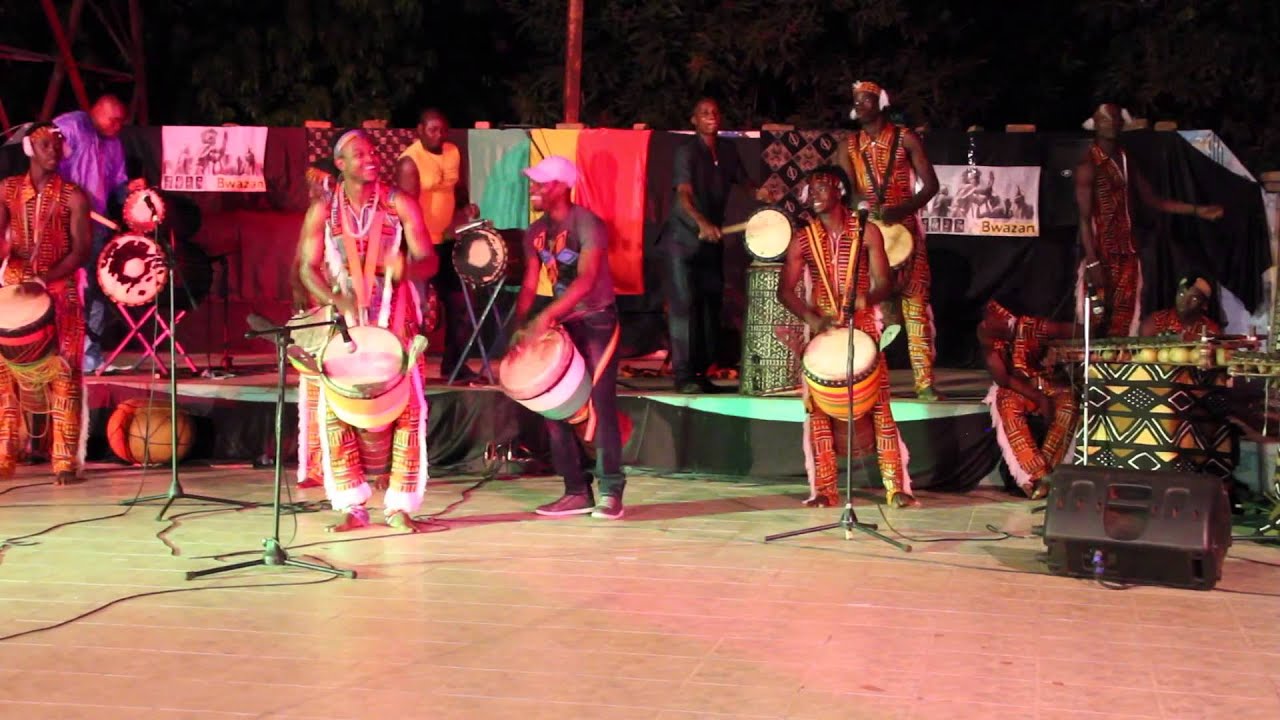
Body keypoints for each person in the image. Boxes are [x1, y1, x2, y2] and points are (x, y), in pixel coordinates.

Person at [297, 130, 438, 532]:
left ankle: (400, 505)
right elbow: (307, 267)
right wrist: (333, 299)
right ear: (340, 164)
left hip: (395, 318)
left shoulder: (399, 203)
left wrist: (406, 269)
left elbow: (429, 260)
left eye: (373, 152)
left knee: (408, 410)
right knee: (338, 410)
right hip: (345, 324)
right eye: (359, 154)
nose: (370, 158)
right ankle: (352, 505)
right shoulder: (323, 210)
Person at [777, 166, 919, 509]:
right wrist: (813, 318)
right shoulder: (803, 238)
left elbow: (886, 282)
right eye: (809, 191)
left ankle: (896, 487)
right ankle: (825, 490)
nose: (813, 197)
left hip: (864, 328)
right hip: (822, 333)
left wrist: (865, 299)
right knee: (819, 413)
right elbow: (785, 291)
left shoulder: (866, 231)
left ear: (839, 189)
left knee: (880, 407)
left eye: (820, 188)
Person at [513, 156, 627, 519]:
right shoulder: (535, 232)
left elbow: (586, 279)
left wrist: (545, 316)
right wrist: (521, 323)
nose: (533, 188)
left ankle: (611, 491)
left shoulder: (588, 224)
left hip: (596, 321)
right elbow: (532, 282)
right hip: (564, 324)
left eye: (540, 183)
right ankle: (576, 490)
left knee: (600, 404)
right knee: (554, 403)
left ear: (562, 186)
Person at [1075, 102, 1224, 338]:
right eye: (1106, 120)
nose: (1112, 124)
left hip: (1128, 251)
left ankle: (1117, 369)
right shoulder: (1088, 166)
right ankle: (1089, 368)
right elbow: (1084, 219)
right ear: (1095, 125)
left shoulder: (1125, 161)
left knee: (1124, 317)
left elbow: (1153, 200)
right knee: (1095, 315)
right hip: (1102, 252)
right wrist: (1092, 262)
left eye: (1116, 119)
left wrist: (1197, 210)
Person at [837, 80, 942, 400]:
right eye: (854, 100)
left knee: (915, 308)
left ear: (880, 102)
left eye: (864, 100)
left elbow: (931, 186)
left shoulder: (904, 138)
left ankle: (924, 383)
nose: (857, 105)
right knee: (870, 312)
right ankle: (869, 382)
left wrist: (901, 209)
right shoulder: (848, 145)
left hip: (905, 233)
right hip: (869, 236)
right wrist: (862, 211)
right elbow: (847, 193)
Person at [659, 98, 771, 394]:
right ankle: (683, 375)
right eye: (704, 113)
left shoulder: (727, 151)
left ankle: (699, 371)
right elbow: (683, 194)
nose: (711, 116)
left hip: (711, 240)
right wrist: (700, 222)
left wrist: (762, 193)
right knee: (684, 306)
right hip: (682, 241)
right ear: (694, 120)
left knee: (709, 307)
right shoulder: (687, 152)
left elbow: (745, 183)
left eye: (715, 112)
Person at [0, 122, 92, 485]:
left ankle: (64, 461)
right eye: (44, 144)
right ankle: (6, 452)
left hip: (63, 292)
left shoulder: (74, 196)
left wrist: (46, 277)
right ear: (28, 148)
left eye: (57, 144)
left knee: (66, 372)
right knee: (3, 376)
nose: (52, 150)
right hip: (17, 286)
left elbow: (81, 251)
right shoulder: (7, 191)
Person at [53, 95, 144, 373]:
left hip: (98, 227)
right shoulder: (72, 126)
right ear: (96, 112)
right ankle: (59, 356)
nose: (117, 126)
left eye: (121, 122)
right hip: (66, 223)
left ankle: (89, 358)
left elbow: (117, 186)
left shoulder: (114, 144)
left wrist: (130, 189)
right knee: (67, 291)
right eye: (113, 120)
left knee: (95, 292)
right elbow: (45, 156)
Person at [397, 109, 481, 382]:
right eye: (432, 129)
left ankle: (454, 366)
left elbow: (457, 188)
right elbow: (405, 209)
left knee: (459, 303)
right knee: (419, 310)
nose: (438, 135)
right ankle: (410, 369)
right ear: (419, 130)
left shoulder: (453, 152)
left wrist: (464, 209)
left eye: (442, 130)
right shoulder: (410, 162)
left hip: (446, 243)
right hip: (420, 248)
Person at [979, 297, 1081, 499]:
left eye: (991, 321)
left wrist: (1059, 349)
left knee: (1069, 405)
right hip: (1017, 387)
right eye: (985, 320)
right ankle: (1035, 477)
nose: (985, 324)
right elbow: (1004, 379)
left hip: (1048, 381)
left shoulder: (1032, 328)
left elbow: (1080, 331)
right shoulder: (987, 336)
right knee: (1005, 403)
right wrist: (1039, 398)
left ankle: (1050, 477)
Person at [1139, 271, 1222, 340]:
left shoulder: (1211, 330)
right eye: (1181, 294)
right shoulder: (1155, 323)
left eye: (1194, 298)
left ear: (1205, 305)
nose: (1185, 301)